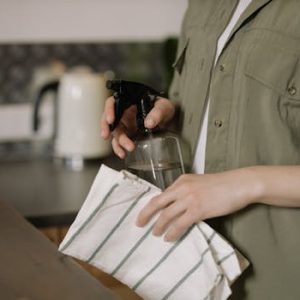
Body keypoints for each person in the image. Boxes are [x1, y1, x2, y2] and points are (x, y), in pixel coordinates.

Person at [101, 0, 300, 299]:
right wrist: (156, 112)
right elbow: (204, 112)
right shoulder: (202, 5)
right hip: (193, 272)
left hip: (280, 279)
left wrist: (244, 184)